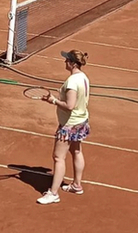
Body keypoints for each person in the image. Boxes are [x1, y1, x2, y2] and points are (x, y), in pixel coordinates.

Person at [36, 50, 91, 205]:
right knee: (76, 151)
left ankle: (53, 193)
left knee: (58, 157)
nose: (64, 62)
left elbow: (69, 105)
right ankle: (76, 185)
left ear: (73, 63)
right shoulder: (83, 77)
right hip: (81, 121)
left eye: (67, 60)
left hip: (69, 124)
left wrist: (53, 101)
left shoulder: (72, 82)